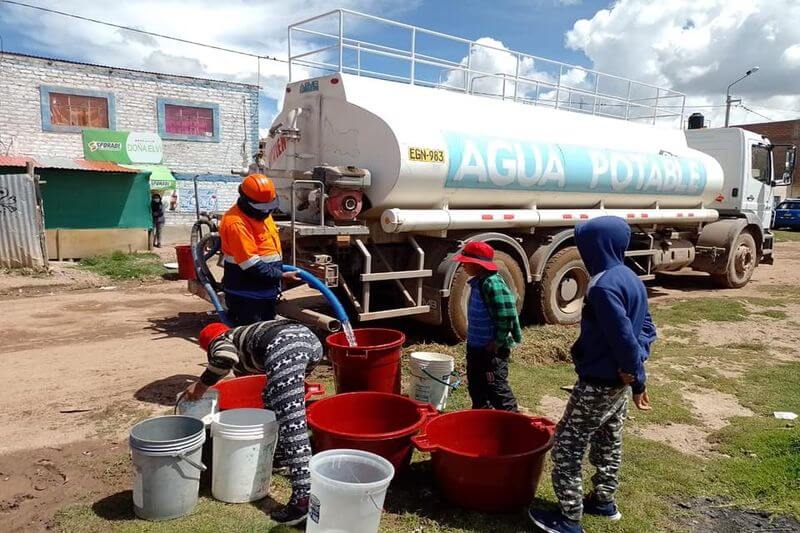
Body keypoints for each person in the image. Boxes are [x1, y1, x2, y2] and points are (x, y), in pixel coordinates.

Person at [529, 216, 657, 533]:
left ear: (596, 245)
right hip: (618, 385)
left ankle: (569, 519)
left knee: (566, 447)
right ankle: (604, 502)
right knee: (608, 441)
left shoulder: (603, 286)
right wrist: (635, 373)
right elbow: (647, 330)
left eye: (584, 243)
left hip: (598, 383)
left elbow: (624, 337)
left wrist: (635, 372)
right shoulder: (631, 278)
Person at [183, 319, 323, 526]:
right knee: (271, 396)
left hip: (287, 346)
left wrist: (201, 386)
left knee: (292, 423)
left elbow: (224, 357)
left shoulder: (220, 340)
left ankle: (303, 499)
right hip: (311, 342)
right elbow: (250, 377)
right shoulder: (244, 340)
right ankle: (282, 459)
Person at [219, 173, 298, 326]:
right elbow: (251, 265)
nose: (266, 212)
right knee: (250, 338)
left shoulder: (262, 213)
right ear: (245, 200)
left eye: (268, 208)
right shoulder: (236, 223)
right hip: (247, 296)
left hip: (264, 293)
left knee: (265, 334)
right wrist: (281, 274)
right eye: (261, 209)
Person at [452, 241, 522, 412]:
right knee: (476, 387)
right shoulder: (477, 282)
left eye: (465, 262)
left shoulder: (492, 283)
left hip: (491, 350)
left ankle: (512, 421)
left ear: (478, 264)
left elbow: (505, 315)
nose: (462, 265)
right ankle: (481, 418)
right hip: (475, 347)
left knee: (496, 388)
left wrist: (497, 341)